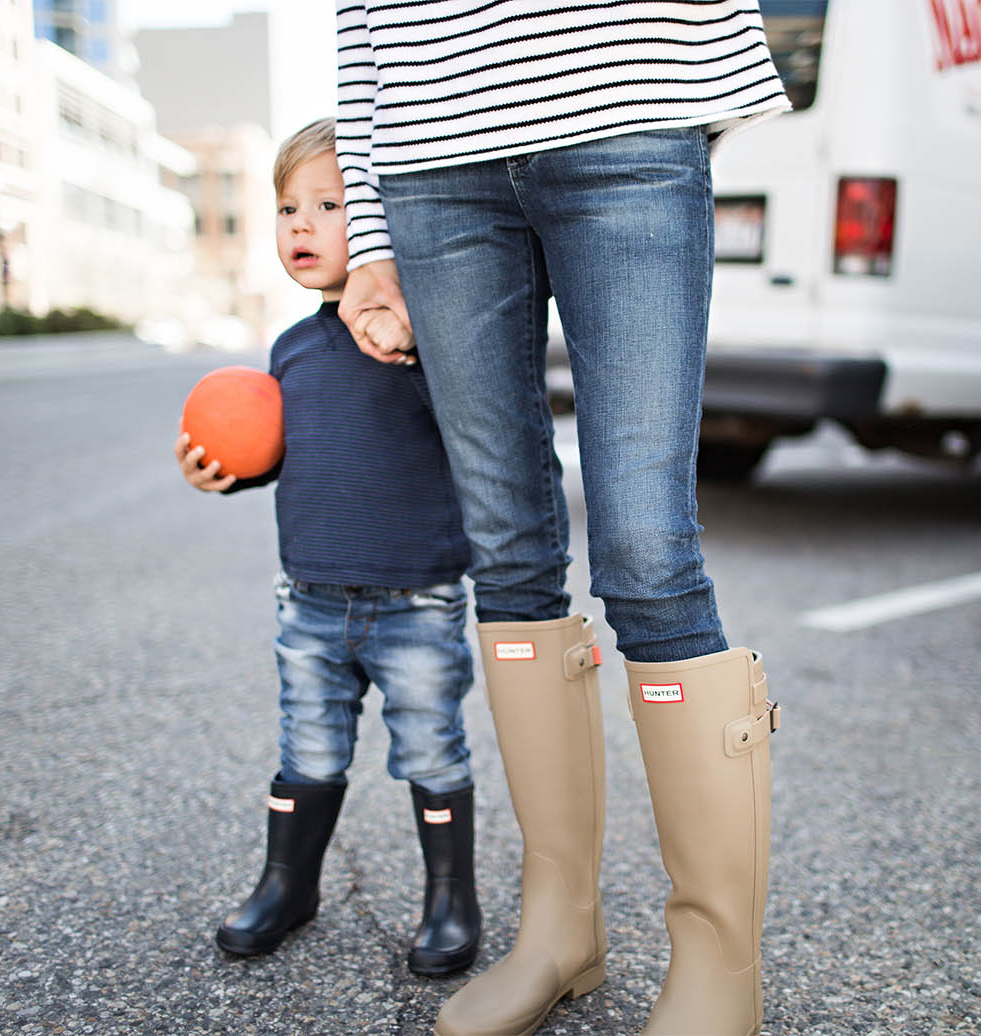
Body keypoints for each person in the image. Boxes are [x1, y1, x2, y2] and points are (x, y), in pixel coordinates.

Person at [333, 4, 789, 1034]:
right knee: (505, 547)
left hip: (624, 104)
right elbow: (358, 22)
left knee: (646, 547)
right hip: (430, 151)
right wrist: (368, 232)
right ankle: (559, 928)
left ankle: (719, 962)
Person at [175, 117, 481, 978]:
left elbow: (480, 433)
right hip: (309, 600)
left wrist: (418, 348)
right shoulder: (291, 349)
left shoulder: (429, 338)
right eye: (287, 209)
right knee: (307, 748)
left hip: (416, 599)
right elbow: (288, 454)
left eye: (329, 206)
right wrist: (225, 473)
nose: (301, 225)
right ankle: (288, 883)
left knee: (431, 748)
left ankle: (450, 898)